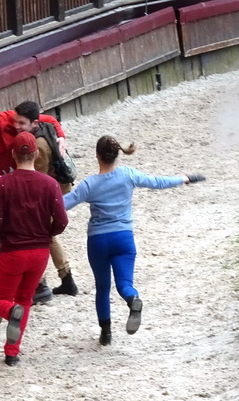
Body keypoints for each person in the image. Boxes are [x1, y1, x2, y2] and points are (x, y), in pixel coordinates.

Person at [63, 136, 205, 345]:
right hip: (123, 238)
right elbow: (157, 182)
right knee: (124, 283)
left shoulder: (89, 185)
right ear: (117, 155)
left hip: (98, 240)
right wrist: (184, 178)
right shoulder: (127, 174)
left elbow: (64, 203)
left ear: (97, 156)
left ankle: (106, 334)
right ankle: (132, 299)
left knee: (102, 287)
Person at [0, 132, 68, 366]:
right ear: (35, 154)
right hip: (40, 252)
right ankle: (12, 351)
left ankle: (10, 316)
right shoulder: (50, 184)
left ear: (13, 154)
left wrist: (3, 235)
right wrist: (47, 234)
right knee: (25, 299)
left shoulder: (3, 184)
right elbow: (61, 221)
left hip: (12, 250)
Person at [12, 101, 79, 297]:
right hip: (57, 191)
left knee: (44, 237)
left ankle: (41, 284)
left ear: (34, 123)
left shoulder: (38, 146)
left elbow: (36, 179)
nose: (16, 126)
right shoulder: (45, 128)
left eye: (21, 123)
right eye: (16, 122)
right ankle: (65, 281)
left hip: (51, 196)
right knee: (47, 237)